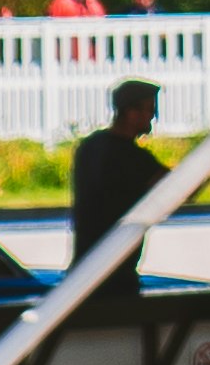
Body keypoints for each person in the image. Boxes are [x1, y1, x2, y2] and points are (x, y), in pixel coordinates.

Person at [71, 77, 171, 255]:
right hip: (116, 264)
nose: (153, 117)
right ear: (131, 112)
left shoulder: (90, 146)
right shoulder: (133, 158)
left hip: (86, 260)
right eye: (150, 109)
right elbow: (177, 186)